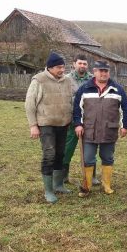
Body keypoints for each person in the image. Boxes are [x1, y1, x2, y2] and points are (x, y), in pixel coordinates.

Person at [73, 60, 127, 197]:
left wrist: (124, 126)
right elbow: (77, 109)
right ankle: (87, 186)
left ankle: (107, 185)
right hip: (89, 130)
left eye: (106, 71)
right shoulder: (85, 88)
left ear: (109, 72)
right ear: (94, 72)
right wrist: (78, 124)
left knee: (107, 157)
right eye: (100, 71)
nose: (103, 73)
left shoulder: (117, 89)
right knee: (88, 158)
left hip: (108, 130)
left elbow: (125, 109)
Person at [25, 52, 73, 203]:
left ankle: (58, 184)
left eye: (63, 67)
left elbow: (71, 100)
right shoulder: (39, 80)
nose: (62, 70)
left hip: (63, 123)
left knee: (60, 153)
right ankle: (48, 191)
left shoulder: (66, 81)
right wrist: (33, 125)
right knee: (49, 154)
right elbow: (29, 103)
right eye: (59, 67)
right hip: (46, 124)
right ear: (50, 67)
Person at [62, 54, 100, 185]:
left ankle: (92, 176)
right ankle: (63, 176)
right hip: (71, 120)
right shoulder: (66, 79)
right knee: (67, 148)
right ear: (74, 64)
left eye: (84, 64)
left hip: (89, 120)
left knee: (90, 149)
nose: (82, 66)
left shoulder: (93, 79)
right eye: (80, 63)